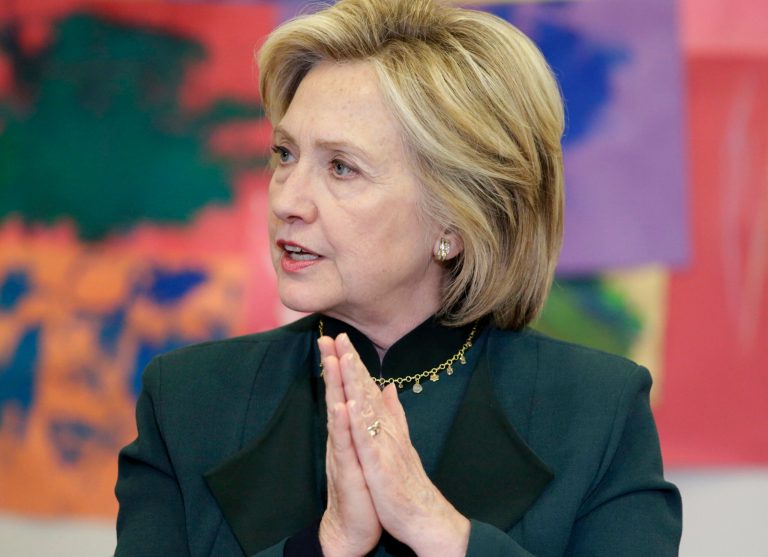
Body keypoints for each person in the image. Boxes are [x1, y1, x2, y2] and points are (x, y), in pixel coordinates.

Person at [114, 0, 682, 555]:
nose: (287, 199)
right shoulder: (187, 402)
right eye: (285, 154)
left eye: (341, 167)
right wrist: (326, 546)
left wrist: (444, 536)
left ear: (457, 220)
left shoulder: (597, 411)